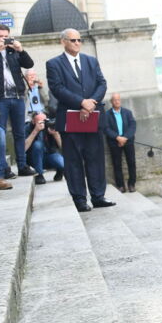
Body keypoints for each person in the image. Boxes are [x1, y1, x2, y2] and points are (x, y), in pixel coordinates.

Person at [46, 29, 114, 212]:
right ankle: (80, 199)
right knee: (73, 160)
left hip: (93, 116)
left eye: (79, 40)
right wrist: (81, 102)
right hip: (70, 119)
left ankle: (98, 196)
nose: (77, 43)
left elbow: (102, 84)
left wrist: (91, 103)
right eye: (73, 40)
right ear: (63, 42)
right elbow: (57, 88)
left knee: (95, 158)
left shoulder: (91, 61)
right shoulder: (53, 64)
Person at [0, 23, 36, 176]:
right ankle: (3, 167)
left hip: (17, 97)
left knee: (20, 133)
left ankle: (22, 165)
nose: (3, 39)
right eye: (0, 36)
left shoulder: (14, 52)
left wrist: (21, 50)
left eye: (6, 36)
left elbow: (29, 64)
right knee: (0, 133)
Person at [100, 93, 138, 193]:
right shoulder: (107, 115)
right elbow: (106, 128)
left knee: (131, 162)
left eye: (118, 99)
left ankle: (132, 184)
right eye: (115, 100)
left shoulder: (127, 113)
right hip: (114, 142)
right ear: (111, 102)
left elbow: (132, 125)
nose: (117, 101)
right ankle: (120, 185)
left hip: (128, 141)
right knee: (117, 164)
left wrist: (125, 138)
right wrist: (117, 138)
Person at [24, 112, 64, 184]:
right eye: (40, 122)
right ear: (33, 121)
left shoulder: (50, 126)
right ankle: (39, 174)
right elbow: (23, 149)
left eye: (44, 121)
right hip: (33, 157)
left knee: (62, 164)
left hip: (49, 155)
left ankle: (60, 171)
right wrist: (35, 131)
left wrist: (56, 134)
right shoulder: (27, 128)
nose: (43, 124)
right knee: (38, 145)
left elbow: (62, 147)